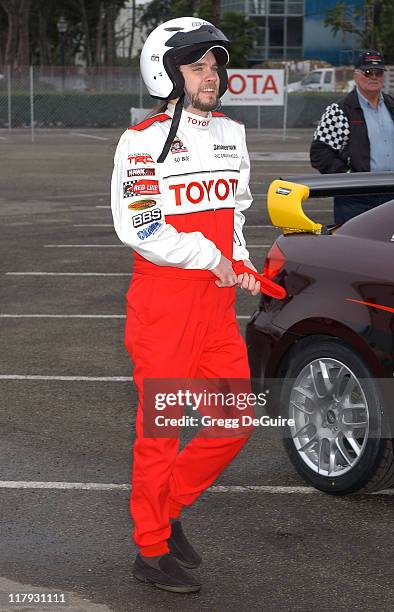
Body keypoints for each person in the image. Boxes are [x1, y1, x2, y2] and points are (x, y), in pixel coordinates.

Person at [111, 17, 260, 593]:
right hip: (164, 305)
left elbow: (237, 212)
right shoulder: (142, 140)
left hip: (216, 305)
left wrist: (239, 259)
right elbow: (140, 224)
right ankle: (149, 550)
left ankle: (168, 510)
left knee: (236, 421)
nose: (212, 75)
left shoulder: (232, 133)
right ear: (167, 72)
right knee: (161, 431)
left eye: (215, 65)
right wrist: (207, 255)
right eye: (198, 66)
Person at [310, 50, 394, 223]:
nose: (373, 77)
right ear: (356, 76)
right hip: (355, 198)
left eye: (378, 73)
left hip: (391, 194)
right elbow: (320, 153)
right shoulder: (339, 110)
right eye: (367, 72)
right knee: (355, 249)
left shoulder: (392, 106)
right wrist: (348, 176)